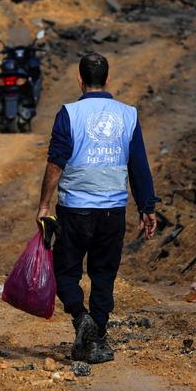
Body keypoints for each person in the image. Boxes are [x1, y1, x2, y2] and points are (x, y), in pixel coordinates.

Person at [37, 53, 159, 364]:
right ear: (108, 80)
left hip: (75, 209)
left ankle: (82, 319)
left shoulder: (69, 114)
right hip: (112, 211)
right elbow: (139, 165)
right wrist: (147, 206)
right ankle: (96, 337)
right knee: (104, 275)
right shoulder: (128, 115)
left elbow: (55, 163)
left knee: (65, 272)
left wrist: (44, 204)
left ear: (79, 80)